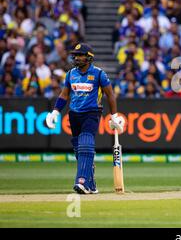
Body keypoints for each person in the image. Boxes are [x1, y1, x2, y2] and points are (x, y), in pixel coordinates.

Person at [45, 43, 124, 194]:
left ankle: (81, 181)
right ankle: (91, 185)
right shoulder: (71, 74)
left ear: (89, 57)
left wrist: (114, 116)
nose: (76, 57)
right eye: (75, 55)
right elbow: (64, 95)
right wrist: (55, 112)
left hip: (92, 113)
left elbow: (110, 95)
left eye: (80, 55)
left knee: (86, 142)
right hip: (74, 114)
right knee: (78, 148)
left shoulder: (99, 74)